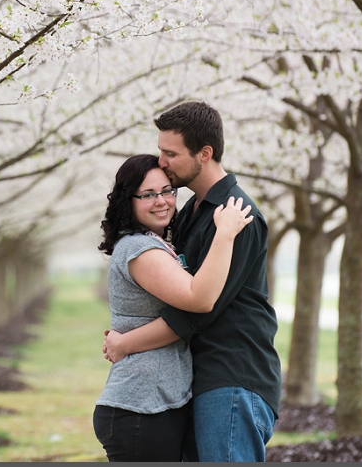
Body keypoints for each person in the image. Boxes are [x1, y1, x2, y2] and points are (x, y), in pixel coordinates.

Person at [103, 101, 282, 462]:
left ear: (205, 153)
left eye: (170, 153)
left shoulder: (236, 214)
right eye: (160, 151)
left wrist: (127, 343)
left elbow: (200, 309)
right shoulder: (190, 211)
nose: (162, 162)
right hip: (198, 380)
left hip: (232, 376)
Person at [93, 153, 254, 462]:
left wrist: (124, 342)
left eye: (167, 190)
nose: (162, 201)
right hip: (141, 407)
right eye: (148, 194)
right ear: (128, 201)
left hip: (152, 404)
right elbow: (199, 299)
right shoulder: (141, 249)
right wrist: (225, 234)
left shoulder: (152, 244)